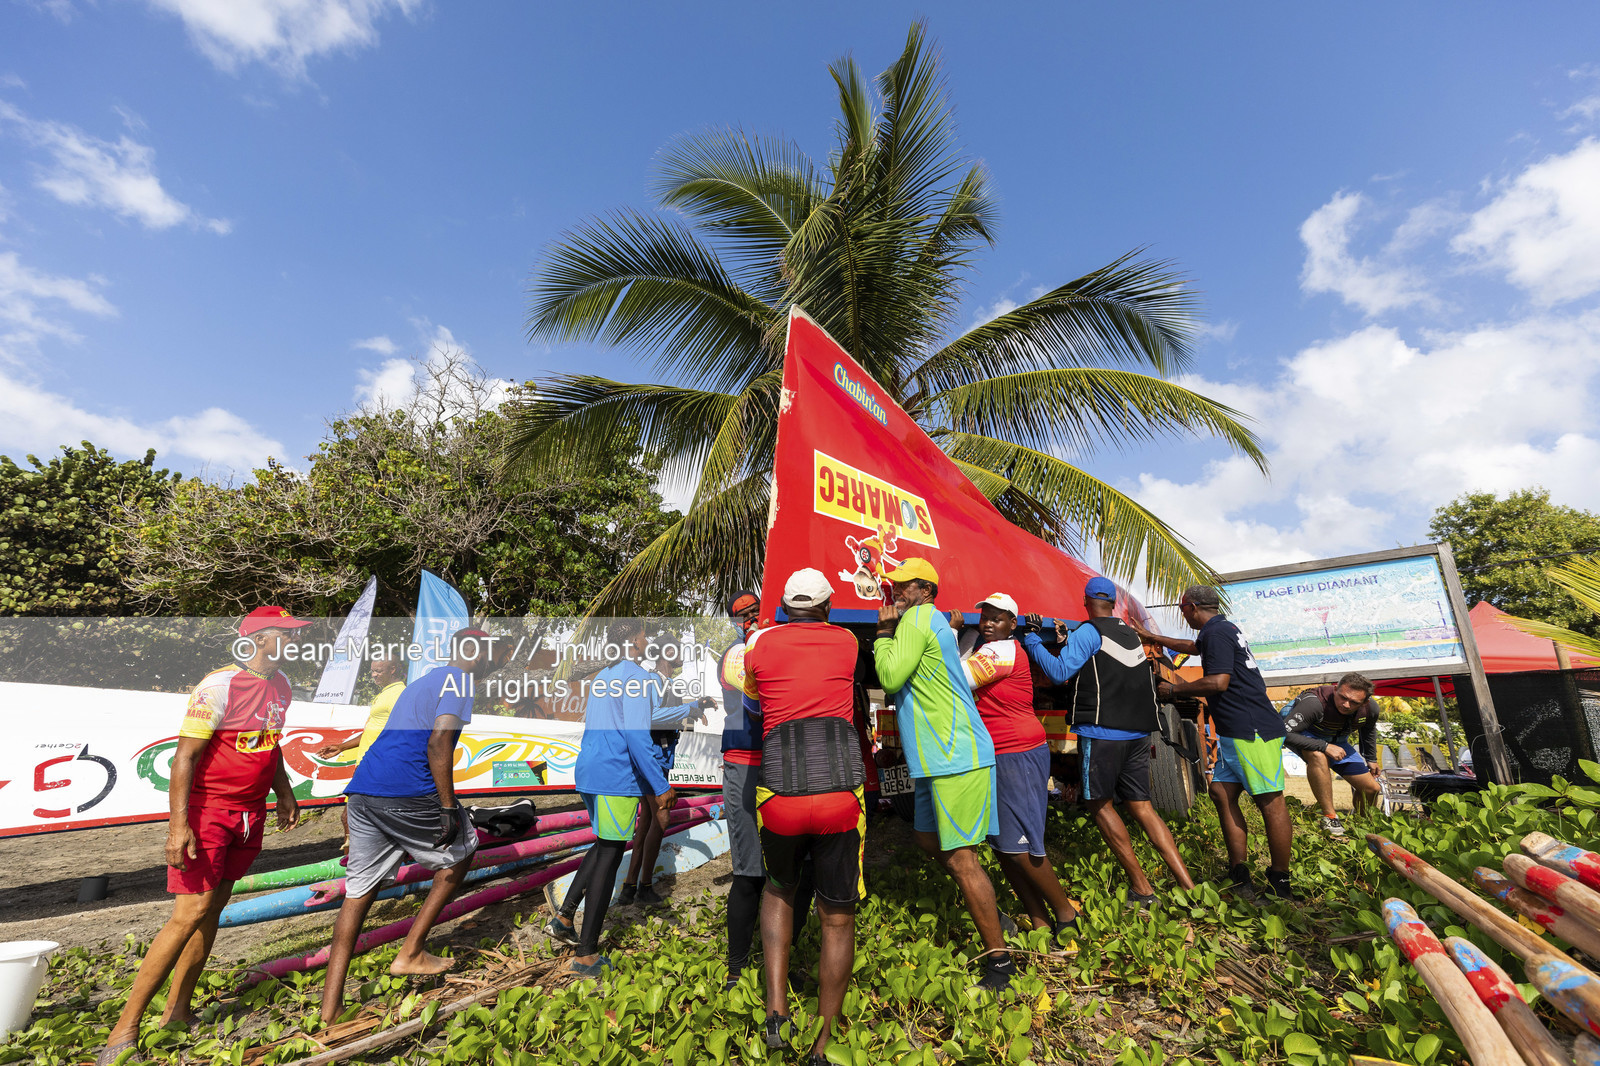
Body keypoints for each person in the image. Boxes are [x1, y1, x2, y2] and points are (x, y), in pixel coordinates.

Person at [98, 607, 307, 1066]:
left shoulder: (283, 685)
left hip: (249, 815)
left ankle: (176, 1011)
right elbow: (183, 758)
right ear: (257, 638)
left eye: (294, 634)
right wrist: (178, 827)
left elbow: (269, 746)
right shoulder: (220, 685)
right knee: (189, 911)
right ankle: (124, 1029)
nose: (292, 641)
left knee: (211, 909)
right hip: (208, 812)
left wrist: (285, 794)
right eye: (284, 634)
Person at [319, 628, 500, 1024]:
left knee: (358, 891)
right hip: (406, 787)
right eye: (492, 654)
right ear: (477, 653)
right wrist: (449, 808)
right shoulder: (460, 680)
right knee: (463, 850)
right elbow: (439, 743)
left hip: (364, 789)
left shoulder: (425, 680)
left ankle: (330, 1009)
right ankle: (411, 951)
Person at [742, 568, 867, 1064]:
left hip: (780, 794)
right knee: (837, 919)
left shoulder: (759, 645)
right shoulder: (847, 643)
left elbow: (754, 701)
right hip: (839, 794)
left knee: (779, 888)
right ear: (827, 606)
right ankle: (824, 1041)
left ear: (785, 607)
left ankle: (775, 1011)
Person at [872, 558, 1013, 990]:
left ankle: (1001, 962)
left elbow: (890, 675)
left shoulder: (917, 617)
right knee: (925, 839)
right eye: (892, 584)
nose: (895, 590)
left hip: (955, 754)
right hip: (940, 756)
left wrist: (881, 635)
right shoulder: (928, 621)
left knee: (960, 858)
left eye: (903, 585)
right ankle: (991, 911)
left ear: (925, 589)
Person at [1020, 578, 1196, 906]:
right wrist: (1066, 641)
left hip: (1103, 735)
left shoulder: (1089, 631)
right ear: (1114, 603)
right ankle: (1190, 887)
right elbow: (1102, 663)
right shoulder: (1129, 633)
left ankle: (1142, 889)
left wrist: (1032, 639)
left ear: (1085, 601)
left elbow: (1059, 672)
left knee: (1099, 804)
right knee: (1142, 807)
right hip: (1138, 734)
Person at [1133, 586, 1295, 902]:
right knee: (1221, 792)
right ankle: (1239, 873)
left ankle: (1280, 882)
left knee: (1269, 801)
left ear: (1192, 606)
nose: (1182, 615)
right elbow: (1192, 647)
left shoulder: (1217, 633)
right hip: (1234, 729)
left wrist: (1173, 692)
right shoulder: (1218, 630)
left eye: (1182, 609)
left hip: (1252, 729)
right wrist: (1155, 639)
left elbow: (1219, 682)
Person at [543, 618, 677, 977]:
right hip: (616, 775)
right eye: (644, 634)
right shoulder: (638, 678)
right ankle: (586, 954)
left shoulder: (603, 677)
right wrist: (659, 786)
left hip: (590, 769)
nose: (647, 639)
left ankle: (564, 916)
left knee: (604, 846)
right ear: (634, 640)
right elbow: (636, 736)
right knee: (612, 853)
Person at [952, 593, 1082, 938]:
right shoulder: (988, 648)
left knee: (1020, 845)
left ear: (1013, 624)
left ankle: (1067, 915)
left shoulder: (1002, 651)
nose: (989, 623)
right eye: (985, 617)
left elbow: (957, 679)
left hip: (1017, 751)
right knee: (1004, 846)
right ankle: (1039, 922)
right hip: (1001, 752)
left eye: (998, 618)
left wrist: (952, 635)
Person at [719, 590, 766, 986]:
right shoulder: (736, 654)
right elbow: (758, 702)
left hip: (777, 764)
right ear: (735, 622)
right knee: (749, 872)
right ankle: (736, 971)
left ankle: (775, 959)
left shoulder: (770, 645)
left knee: (784, 872)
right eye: (744, 615)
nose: (751, 617)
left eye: (757, 610)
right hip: (744, 762)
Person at [315, 655, 407, 851]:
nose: (374, 675)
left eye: (378, 671)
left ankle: (357, 865)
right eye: (372, 671)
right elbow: (371, 732)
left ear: (393, 669)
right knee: (354, 818)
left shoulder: (399, 693)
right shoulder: (385, 693)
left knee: (350, 817)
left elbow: (401, 733)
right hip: (368, 765)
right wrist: (341, 747)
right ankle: (360, 863)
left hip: (377, 767)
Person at [1281, 673, 1382, 836]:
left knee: (1371, 789)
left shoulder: (1371, 709)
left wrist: (1371, 758)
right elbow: (1282, 733)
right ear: (1335, 689)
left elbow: (1368, 729)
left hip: (1337, 739)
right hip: (1304, 734)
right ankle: (1330, 817)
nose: (1346, 705)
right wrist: (1324, 746)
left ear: (1365, 702)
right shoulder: (1314, 704)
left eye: (1354, 702)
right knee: (1318, 756)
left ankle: (1361, 827)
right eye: (1342, 697)